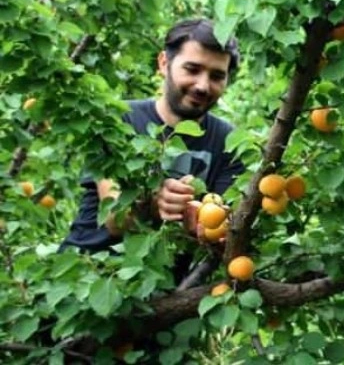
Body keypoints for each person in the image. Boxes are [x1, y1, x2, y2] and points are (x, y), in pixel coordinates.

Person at [60, 18, 245, 256]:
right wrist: (155, 204)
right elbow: (115, 220)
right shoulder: (117, 120)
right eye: (192, 69)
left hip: (168, 288)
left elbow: (221, 226)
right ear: (164, 63)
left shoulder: (230, 142)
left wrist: (209, 232)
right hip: (84, 274)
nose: (203, 85)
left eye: (217, 76)